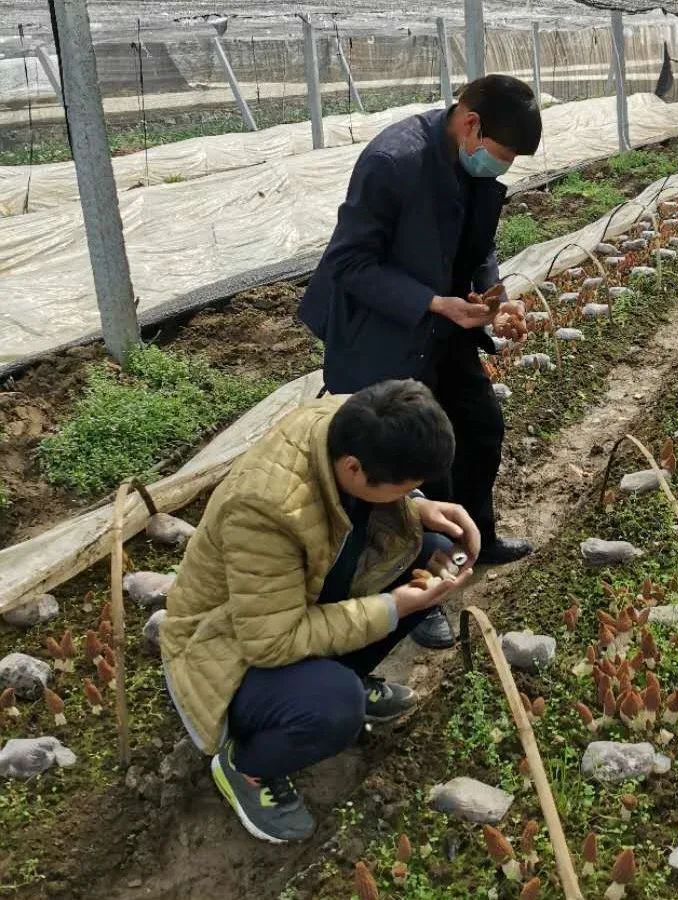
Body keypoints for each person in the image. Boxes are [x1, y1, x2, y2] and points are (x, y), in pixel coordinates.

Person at [160, 380, 477, 844]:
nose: (412, 493)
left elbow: (384, 506)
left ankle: (342, 672)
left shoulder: (348, 421)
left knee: (427, 551)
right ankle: (248, 765)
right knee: (335, 706)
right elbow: (270, 642)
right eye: (406, 486)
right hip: (224, 650)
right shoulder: (264, 509)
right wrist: (391, 606)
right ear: (353, 468)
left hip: (287, 602)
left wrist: (421, 508)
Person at [298, 74, 543, 649]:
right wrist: (433, 302)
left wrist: (493, 297)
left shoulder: (468, 160)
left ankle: (476, 537)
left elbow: (478, 244)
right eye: (500, 157)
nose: (499, 169)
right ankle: (420, 588)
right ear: (471, 124)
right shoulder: (392, 161)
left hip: (443, 325)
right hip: (380, 333)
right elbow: (350, 264)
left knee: (481, 426)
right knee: (412, 467)